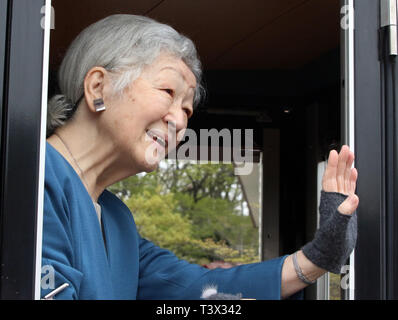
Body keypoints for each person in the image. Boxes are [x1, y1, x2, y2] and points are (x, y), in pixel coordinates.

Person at [42, 14, 359, 300]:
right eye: (168, 92)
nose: (180, 123)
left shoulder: (116, 218)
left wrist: (317, 257)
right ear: (98, 87)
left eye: (187, 109)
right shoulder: (31, 179)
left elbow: (193, 287)